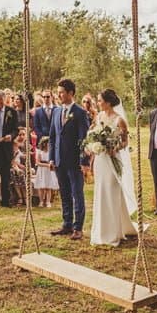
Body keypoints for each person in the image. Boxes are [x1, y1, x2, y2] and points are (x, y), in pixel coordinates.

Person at [89, 89, 138, 246]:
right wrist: (93, 145)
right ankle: (102, 230)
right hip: (100, 160)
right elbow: (91, 134)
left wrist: (115, 148)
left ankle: (114, 231)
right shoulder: (99, 117)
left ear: (108, 102)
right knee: (101, 192)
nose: (98, 103)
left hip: (112, 159)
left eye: (100, 100)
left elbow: (125, 142)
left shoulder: (119, 120)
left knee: (112, 191)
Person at [48, 78, 90, 239]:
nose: (58, 95)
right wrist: (51, 158)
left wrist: (84, 162)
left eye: (61, 92)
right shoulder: (56, 111)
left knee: (76, 194)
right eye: (58, 92)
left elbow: (84, 140)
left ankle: (78, 228)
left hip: (74, 162)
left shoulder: (80, 113)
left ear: (70, 93)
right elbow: (52, 137)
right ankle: (66, 224)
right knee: (64, 194)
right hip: (59, 160)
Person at [34, 136, 58, 208]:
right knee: (41, 187)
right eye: (48, 143)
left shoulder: (51, 152)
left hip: (49, 171)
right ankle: (41, 201)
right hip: (42, 171)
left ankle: (48, 201)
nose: (49, 144)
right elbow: (38, 163)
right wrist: (47, 165)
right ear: (44, 144)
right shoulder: (40, 152)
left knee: (48, 187)